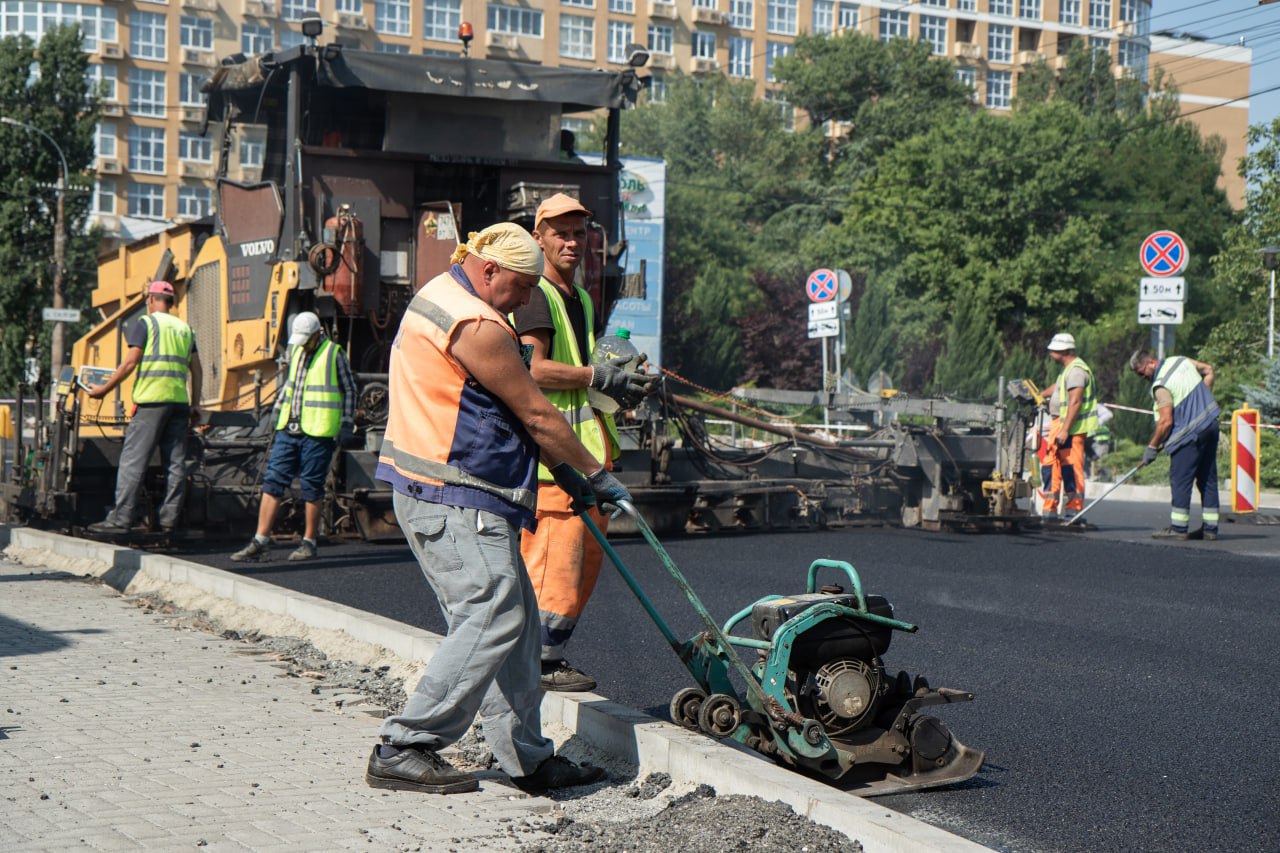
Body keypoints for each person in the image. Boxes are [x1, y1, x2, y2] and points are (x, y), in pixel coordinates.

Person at [365, 222, 631, 796]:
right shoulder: (477, 323)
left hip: (459, 490)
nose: (526, 300)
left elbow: (494, 409)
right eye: (521, 287)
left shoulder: (443, 292)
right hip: (452, 492)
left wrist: (561, 470)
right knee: (492, 615)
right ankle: (406, 744)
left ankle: (527, 758)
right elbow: (535, 413)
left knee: (519, 625)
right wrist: (594, 472)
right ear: (490, 270)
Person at [511, 193, 650, 693]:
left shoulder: (582, 297)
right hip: (554, 463)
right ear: (539, 237)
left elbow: (581, 378)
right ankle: (537, 661)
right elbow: (532, 369)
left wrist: (616, 383)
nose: (572, 241)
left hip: (586, 453)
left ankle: (547, 653)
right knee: (554, 565)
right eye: (560, 233)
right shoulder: (536, 295)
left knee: (581, 569)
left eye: (578, 233)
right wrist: (597, 374)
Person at [231, 312, 357, 563]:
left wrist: (346, 422)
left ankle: (309, 542)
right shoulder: (297, 351)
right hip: (289, 429)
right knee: (273, 481)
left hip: (318, 432)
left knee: (311, 486)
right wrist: (277, 411)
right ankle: (261, 542)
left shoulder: (334, 354)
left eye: (306, 339)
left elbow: (350, 390)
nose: (302, 344)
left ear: (317, 334)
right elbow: (291, 386)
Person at [87, 280, 202, 535]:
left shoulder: (146, 324)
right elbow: (197, 369)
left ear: (151, 299)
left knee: (133, 461)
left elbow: (129, 364)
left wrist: (103, 390)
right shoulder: (186, 329)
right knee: (175, 464)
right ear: (170, 302)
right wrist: (195, 405)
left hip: (151, 402)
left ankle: (121, 519)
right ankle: (169, 519)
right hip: (179, 403)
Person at [1129, 349, 1220, 540]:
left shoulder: (1160, 385)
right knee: (1208, 478)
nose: (1141, 377)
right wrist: (1204, 401)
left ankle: (1178, 529)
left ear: (1151, 363)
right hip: (1210, 425)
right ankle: (1210, 529)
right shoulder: (1180, 360)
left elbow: (1165, 422)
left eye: (1141, 372)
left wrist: (1152, 448)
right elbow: (1209, 370)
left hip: (1189, 436)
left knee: (1180, 480)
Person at [1041, 333, 1097, 519]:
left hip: (1071, 428)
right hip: (1060, 424)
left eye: (1053, 351)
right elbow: (1057, 388)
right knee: (1052, 466)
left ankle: (1074, 509)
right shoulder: (1068, 370)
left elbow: (1075, 401)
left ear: (1062, 351)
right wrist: (1039, 395)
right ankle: (1049, 509)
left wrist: (1065, 429)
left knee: (1071, 468)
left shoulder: (1077, 371)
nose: (1050, 354)